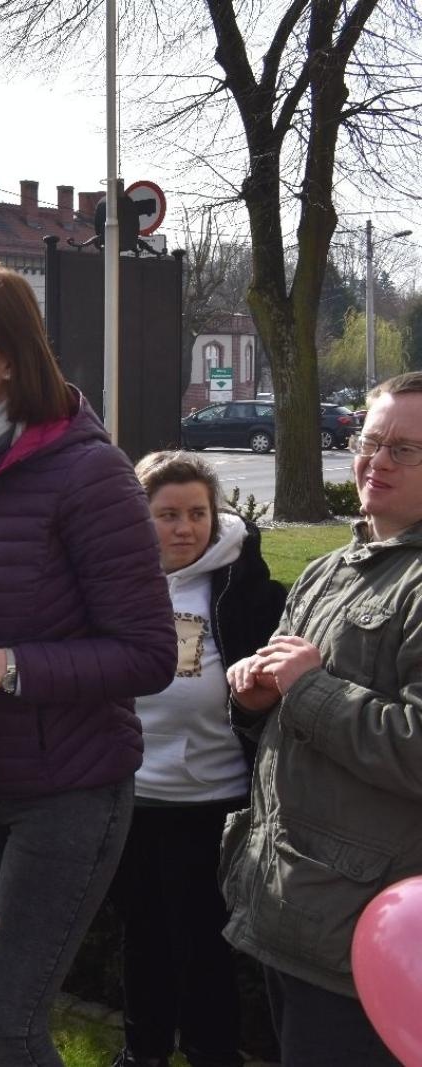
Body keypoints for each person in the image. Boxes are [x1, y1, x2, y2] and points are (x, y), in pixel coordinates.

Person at [0, 263, 176, 1065]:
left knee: (5, 1021)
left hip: (67, 790)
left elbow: (150, 652)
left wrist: (0, 667)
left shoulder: (88, 473)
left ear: (9, 356)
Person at [223, 372, 422, 1067]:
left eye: (405, 448)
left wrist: (306, 688)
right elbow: (288, 713)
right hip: (294, 907)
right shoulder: (330, 569)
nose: (378, 460)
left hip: (373, 933)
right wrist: (252, 700)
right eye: (371, 441)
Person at [105, 452, 285, 1067]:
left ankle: (214, 1052)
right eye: (168, 515)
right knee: (141, 934)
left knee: (204, 942)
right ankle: (143, 1049)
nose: (185, 528)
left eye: (197, 514)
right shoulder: (111, 583)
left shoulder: (247, 591)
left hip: (215, 801)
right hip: (133, 796)